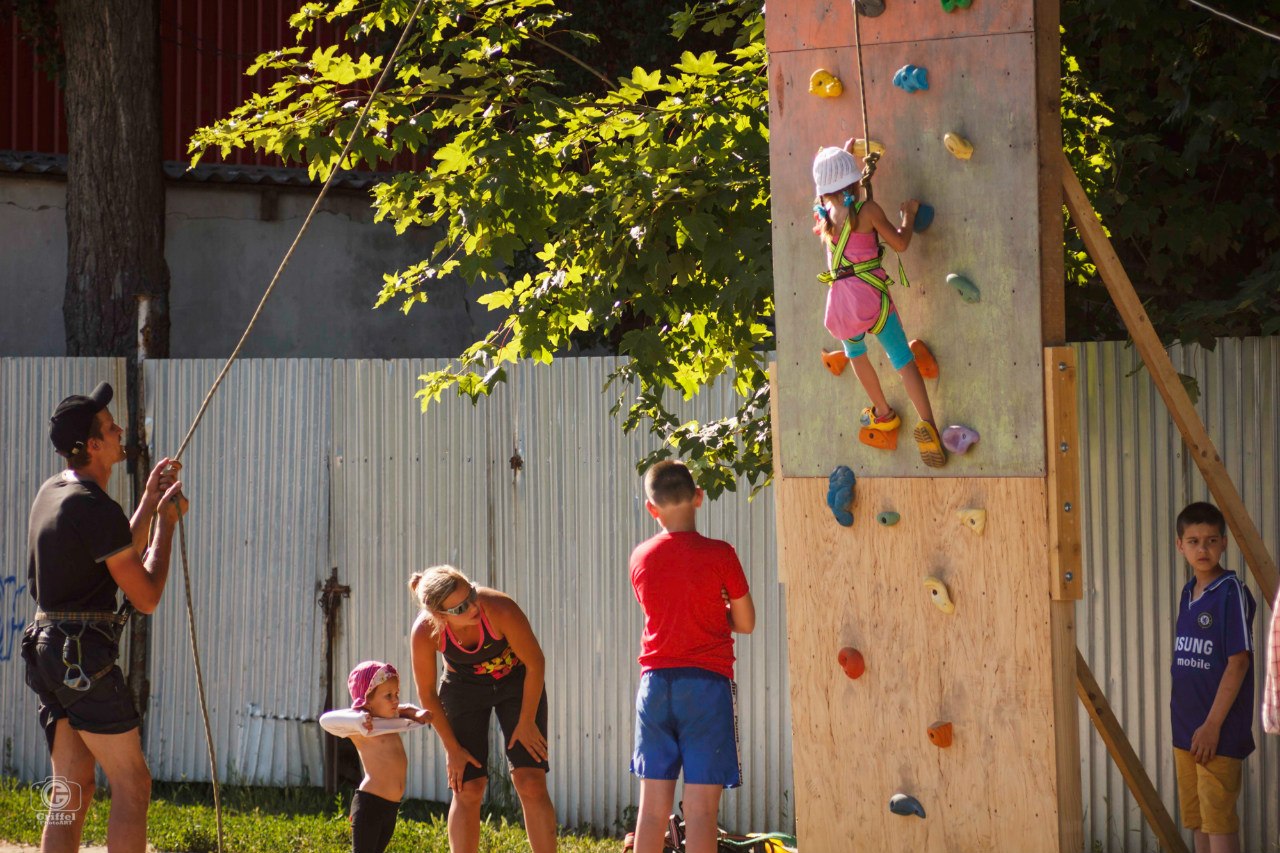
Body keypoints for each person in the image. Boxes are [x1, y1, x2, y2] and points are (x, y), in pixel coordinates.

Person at [20, 381, 187, 853]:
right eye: (110, 427)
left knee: (72, 787)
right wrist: (167, 527)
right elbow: (146, 595)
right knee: (133, 784)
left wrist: (150, 505)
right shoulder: (96, 507)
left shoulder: (53, 492)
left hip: (48, 653)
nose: (120, 430)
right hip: (82, 655)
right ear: (92, 445)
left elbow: (112, 553)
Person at [628, 460, 755, 853]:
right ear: (699, 496)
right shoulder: (721, 554)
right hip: (706, 685)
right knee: (700, 812)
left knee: (651, 811)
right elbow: (746, 622)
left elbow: (664, 611)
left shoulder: (641, 557)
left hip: (654, 686)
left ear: (652, 509)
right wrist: (719, 611)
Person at [811, 143, 946, 468]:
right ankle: (928, 424)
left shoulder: (823, 216)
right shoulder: (868, 211)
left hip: (841, 302)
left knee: (856, 354)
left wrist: (846, 156)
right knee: (902, 359)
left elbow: (836, 190)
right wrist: (908, 215)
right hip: (870, 297)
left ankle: (883, 413)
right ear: (855, 182)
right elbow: (900, 242)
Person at [408, 565, 557, 853]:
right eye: (462, 607)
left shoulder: (498, 608)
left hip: (516, 682)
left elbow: (535, 663)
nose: (474, 606)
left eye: (472, 593)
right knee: (468, 787)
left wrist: (527, 720)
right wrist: (452, 749)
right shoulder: (425, 632)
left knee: (530, 780)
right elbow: (426, 693)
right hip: (463, 689)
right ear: (440, 616)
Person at [1170, 502, 1256, 853]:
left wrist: (1212, 725)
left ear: (1223, 543)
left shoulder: (1230, 591)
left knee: (1219, 822)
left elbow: (1238, 663)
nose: (1202, 549)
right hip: (1186, 729)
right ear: (1180, 545)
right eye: (1193, 541)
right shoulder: (1187, 593)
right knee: (1198, 821)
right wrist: (1193, 726)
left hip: (1216, 730)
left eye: (1210, 540)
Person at [319, 661, 432, 853]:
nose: (395, 700)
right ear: (366, 701)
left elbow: (405, 710)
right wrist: (358, 720)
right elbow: (327, 720)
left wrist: (418, 713)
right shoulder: (361, 727)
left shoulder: (391, 719)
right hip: (370, 804)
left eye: (396, 693)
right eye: (388, 695)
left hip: (391, 806)